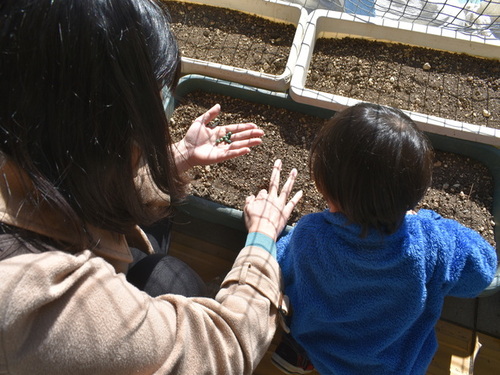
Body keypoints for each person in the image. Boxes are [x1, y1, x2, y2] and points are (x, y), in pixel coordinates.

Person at [0, 0, 303, 374]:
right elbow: (219, 348)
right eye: (150, 102)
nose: (156, 118)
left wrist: (176, 159)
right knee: (174, 280)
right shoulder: (49, 305)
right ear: (92, 128)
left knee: (162, 266)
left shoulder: (24, 139)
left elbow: (71, 189)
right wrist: (261, 241)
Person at [271, 103, 498, 375]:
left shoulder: (310, 235)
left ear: (322, 186)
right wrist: (428, 219)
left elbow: (277, 262)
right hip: (398, 365)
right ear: (415, 193)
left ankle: (301, 355)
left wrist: (272, 233)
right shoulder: (430, 242)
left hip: (325, 353)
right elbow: (483, 271)